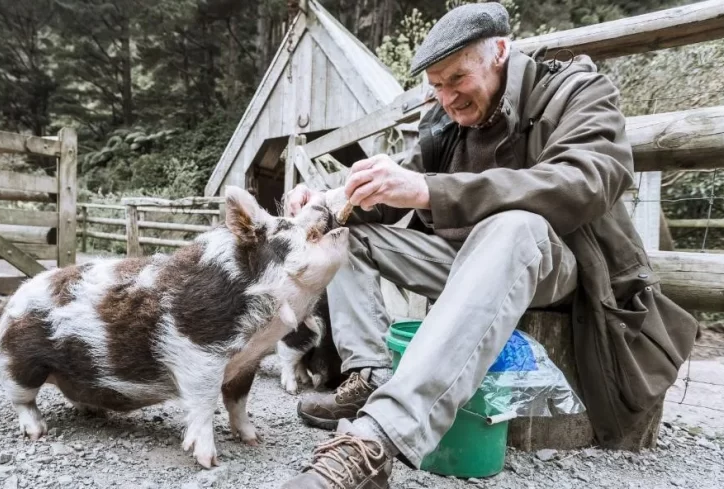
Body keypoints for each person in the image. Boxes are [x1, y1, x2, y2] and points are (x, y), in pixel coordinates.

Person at [278, 3, 699, 488]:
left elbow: (586, 181)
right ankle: (369, 375)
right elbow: (393, 198)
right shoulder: (444, 119)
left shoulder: (575, 91)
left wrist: (431, 191)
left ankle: (375, 441)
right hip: (463, 260)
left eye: (457, 79)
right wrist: (335, 200)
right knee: (342, 237)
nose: (447, 98)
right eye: (436, 85)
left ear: (500, 51)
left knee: (514, 226)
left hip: (561, 267)